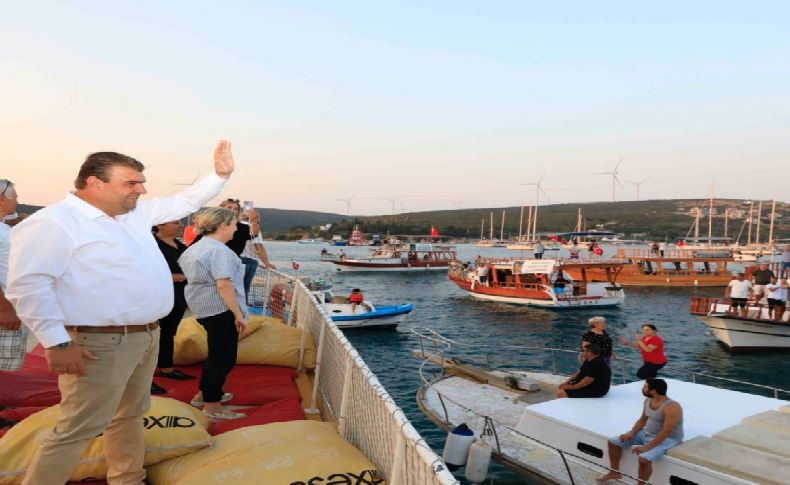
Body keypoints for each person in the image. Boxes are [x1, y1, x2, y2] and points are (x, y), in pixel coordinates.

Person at [6, 141, 234, 485]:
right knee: (78, 427)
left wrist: (219, 175)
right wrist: (56, 342)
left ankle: (127, 479)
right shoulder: (53, 223)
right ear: (95, 184)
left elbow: (182, 202)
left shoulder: (132, 215)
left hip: (144, 336)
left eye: (141, 182)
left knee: (130, 416)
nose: (142, 190)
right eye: (131, 183)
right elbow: (28, 286)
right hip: (99, 342)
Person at [178, 207, 248, 420]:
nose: (236, 229)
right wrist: (238, 314)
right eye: (234, 224)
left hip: (203, 307)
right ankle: (212, 406)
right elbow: (224, 284)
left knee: (218, 354)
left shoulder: (194, 248)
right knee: (223, 358)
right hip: (221, 308)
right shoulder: (219, 251)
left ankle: (206, 393)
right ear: (223, 225)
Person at [597, 379, 684, 484]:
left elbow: (666, 432)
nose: (642, 389)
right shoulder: (648, 401)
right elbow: (643, 420)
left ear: (653, 391)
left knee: (643, 460)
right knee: (613, 442)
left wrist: (647, 447)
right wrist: (631, 433)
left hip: (668, 439)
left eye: (645, 387)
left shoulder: (672, 407)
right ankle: (614, 472)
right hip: (646, 433)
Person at [153, 220, 194, 385]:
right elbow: (147, 273)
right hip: (158, 296)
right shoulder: (152, 245)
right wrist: (178, 277)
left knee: (168, 333)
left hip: (178, 296)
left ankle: (166, 367)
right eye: (176, 222)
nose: (181, 226)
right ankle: (144, 377)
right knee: (150, 335)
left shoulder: (180, 245)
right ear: (160, 225)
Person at [0, 179, 27, 372]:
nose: (17, 201)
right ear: (2, 200)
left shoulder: (4, 229)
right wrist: (4, 309)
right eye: (14, 197)